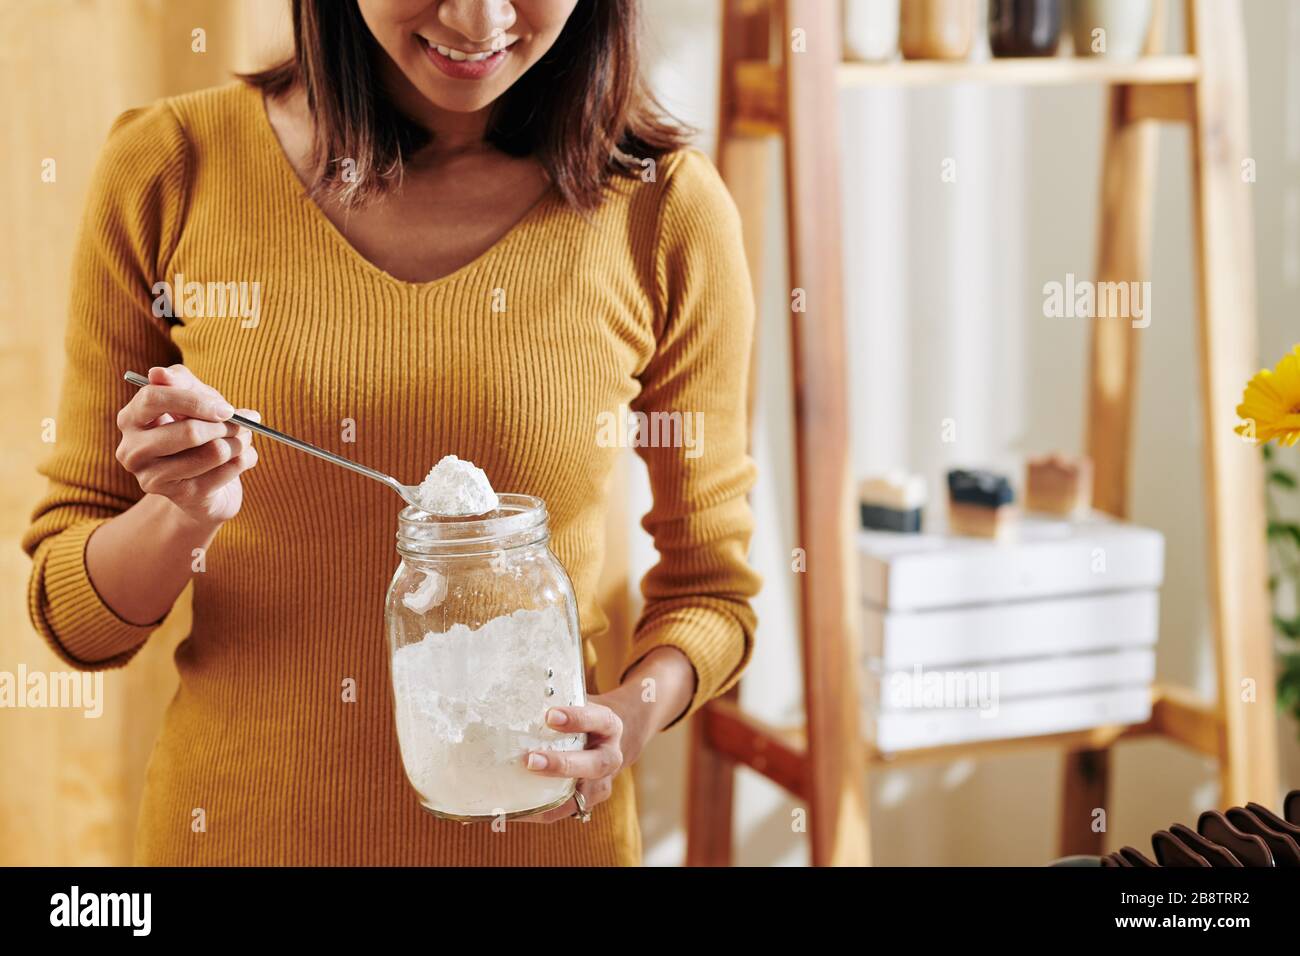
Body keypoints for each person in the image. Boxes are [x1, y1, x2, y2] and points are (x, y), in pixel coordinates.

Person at [24, 0, 759, 865]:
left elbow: (711, 591)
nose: (477, 18)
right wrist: (179, 514)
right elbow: (78, 627)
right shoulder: (170, 167)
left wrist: (628, 720)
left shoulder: (665, 207)